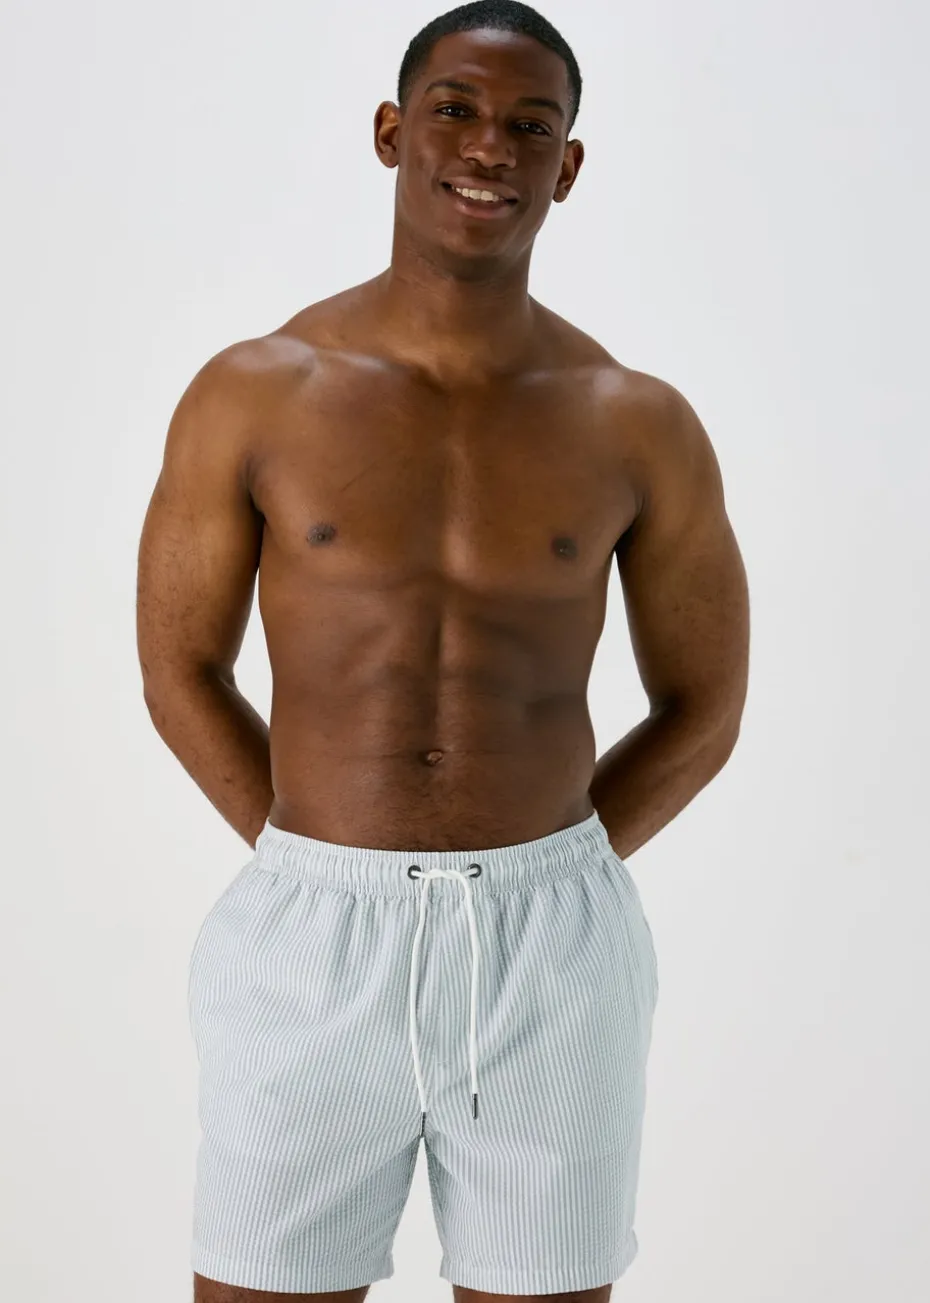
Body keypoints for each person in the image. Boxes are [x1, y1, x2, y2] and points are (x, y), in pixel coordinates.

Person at [136, 2, 750, 1300]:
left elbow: (704, 703)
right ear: (390, 131)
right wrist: (309, 852)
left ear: (566, 167)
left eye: (531, 126)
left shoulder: (635, 423)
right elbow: (179, 666)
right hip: (308, 934)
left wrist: (552, 868)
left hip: (551, 951)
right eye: (456, 109)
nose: (489, 147)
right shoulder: (255, 390)